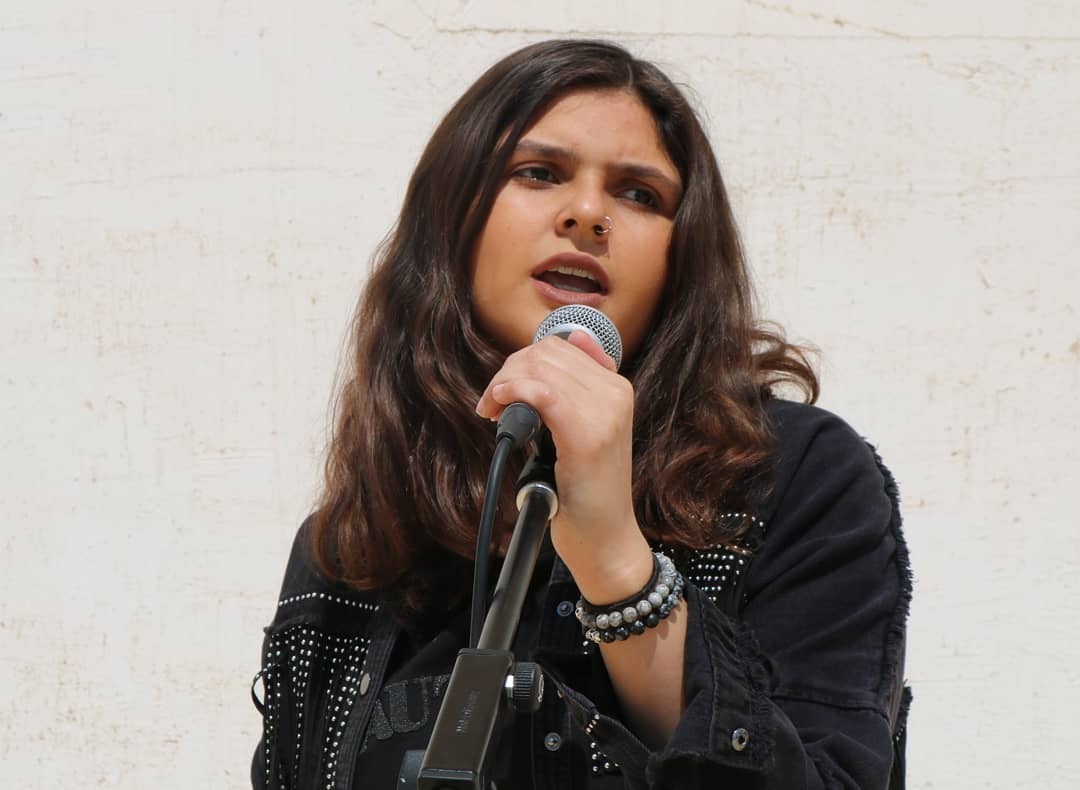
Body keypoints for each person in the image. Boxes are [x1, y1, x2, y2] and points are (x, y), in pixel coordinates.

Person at [250, 39, 911, 789]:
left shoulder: (790, 480)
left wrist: (618, 567)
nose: (590, 214)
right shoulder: (355, 543)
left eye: (640, 195)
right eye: (538, 173)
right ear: (452, 220)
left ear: (682, 257)